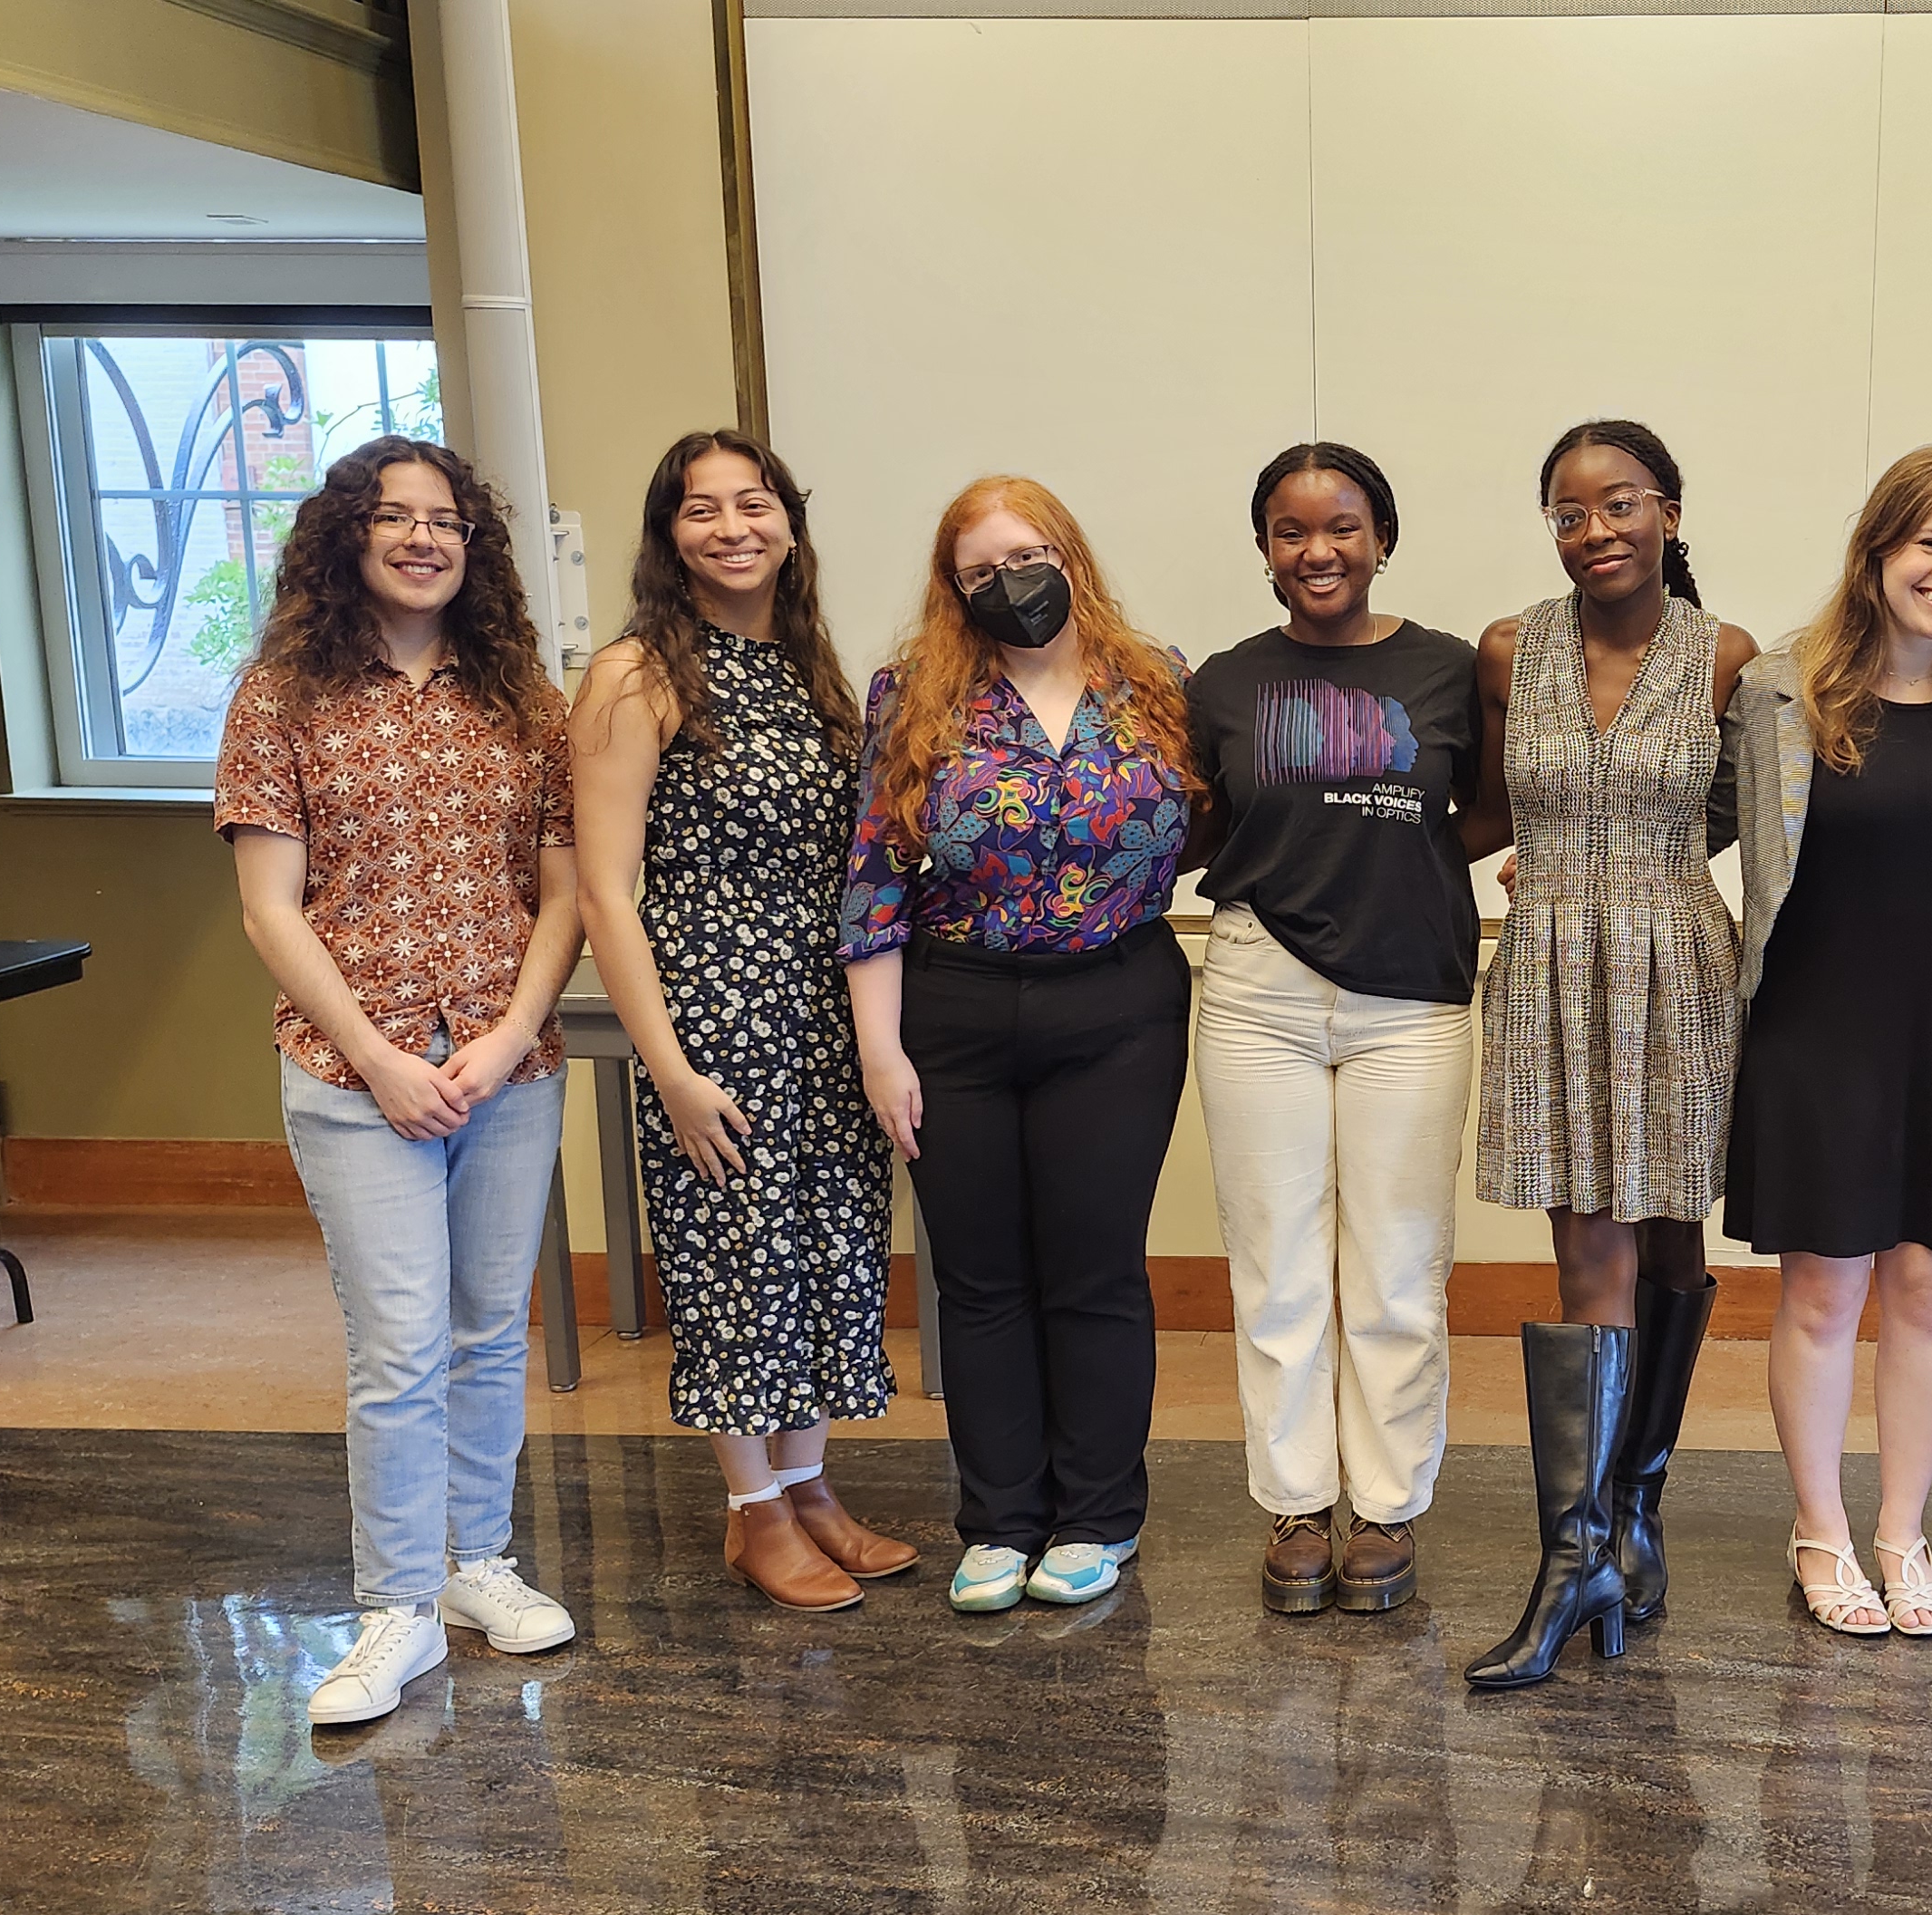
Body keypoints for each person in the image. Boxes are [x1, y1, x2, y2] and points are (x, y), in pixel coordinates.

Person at [217, 437, 584, 1727]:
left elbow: (564, 890)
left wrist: (509, 1034)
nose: (423, 538)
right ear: (348, 536)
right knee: (399, 1346)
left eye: (446, 521)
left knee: (489, 1330)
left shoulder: (524, 697)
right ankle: (396, 1609)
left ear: (473, 547)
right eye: (394, 517)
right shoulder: (281, 695)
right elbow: (269, 909)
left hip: (505, 1065)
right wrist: (380, 1059)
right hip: (350, 1070)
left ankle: (477, 1565)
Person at [569, 431, 913, 1615]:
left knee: (822, 1254)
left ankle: (808, 1488)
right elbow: (605, 890)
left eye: (754, 504)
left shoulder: (810, 668)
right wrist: (666, 1067)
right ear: (669, 537)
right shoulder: (634, 675)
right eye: (701, 509)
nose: (732, 528)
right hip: (712, 1012)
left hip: (821, 1009)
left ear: (790, 525)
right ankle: (753, 1511)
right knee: (737, 1266)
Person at [840, 477, 1198, 1615]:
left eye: (1029, 556)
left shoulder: (1159, 683)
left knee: (1096, 1268)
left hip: (1119, 1005)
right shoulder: (912, 697)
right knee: (980, 1276)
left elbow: (1213, 829)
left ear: (1071, 556)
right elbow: (873, 878)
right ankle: (999, 1521)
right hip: (954, 1009)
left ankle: (1097, 1516)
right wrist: (881, 1053)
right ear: (954, 590)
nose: (1012, 584)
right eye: (982, 572)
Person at [1725, 446, 1932, 1642]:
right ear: (1875, 551)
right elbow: (1680, 814)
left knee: (1929, 1291)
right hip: (1819, 1028)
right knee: (1824, 1293)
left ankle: (1902, 1534)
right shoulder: (1779, 694)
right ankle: (1820, 1530)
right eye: (1930, 541)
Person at [1464, 420, 1757, 1690]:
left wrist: (1636, 866)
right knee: (1588, 1250)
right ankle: (1574, 1554)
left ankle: (1636, 1509)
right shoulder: (1508, 649)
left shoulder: (1727, 656)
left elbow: (1750, 812)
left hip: (1677, 963)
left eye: (1621, 503)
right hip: (1547, 962)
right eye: (1570, 512)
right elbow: (1485, 808)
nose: (1596, 531)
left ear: (1669, 514)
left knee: (1673, 1245)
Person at [1187, 440, 1492, 1617]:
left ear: (1383, 539)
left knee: (1399, 1268)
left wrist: (1396, 865)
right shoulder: (1225, 682)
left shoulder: (1451, 668)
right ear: (1265, 550)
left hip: (1409, 993)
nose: (1318, 550)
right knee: (1275, 1262)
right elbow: (1204, 827)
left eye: (1343, 527)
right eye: (1292, 531)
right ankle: (1297, 1504)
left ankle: (1387, 1507)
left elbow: (1487, 807)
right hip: (1258, 988)